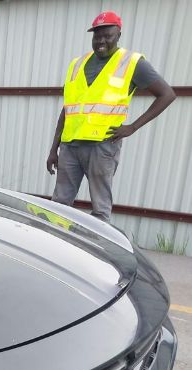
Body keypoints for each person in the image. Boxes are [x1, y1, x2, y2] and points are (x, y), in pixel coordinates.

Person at [46, 11, 176, 221]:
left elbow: (167, 94)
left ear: (118, 35)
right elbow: (67, 109)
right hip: (70, 146)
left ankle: (95, 249)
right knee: (60, 203)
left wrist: (132, 127)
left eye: (108, 36)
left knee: (100, 208)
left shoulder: (132, 62)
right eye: (97, 36)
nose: (101, 41)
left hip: (102, 146)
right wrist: (54, 149)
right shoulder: (77, 64)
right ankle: (55, 245)